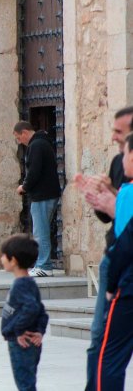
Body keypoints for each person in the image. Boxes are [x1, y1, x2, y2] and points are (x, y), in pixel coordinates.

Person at [73, 106, 133, 390]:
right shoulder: (117, 164)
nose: (113, 138)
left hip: (124, 267)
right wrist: (100, 199)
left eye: (119, 132)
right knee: (100, 339)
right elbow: (113, 216)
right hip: (118, 258)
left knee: (109, 349)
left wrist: (112, 197)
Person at [89, 132, 133, 391]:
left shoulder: (128, 192)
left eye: (125, 153)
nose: (121, 160)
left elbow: (125, 244)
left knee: (109, 357)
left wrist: (109, 287)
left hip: (128, 290)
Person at [0, 233, 49, 391]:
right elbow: (42, 312)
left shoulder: (21, 285)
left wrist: (19, 330)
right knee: (28, 381)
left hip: (21, 342)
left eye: (3, 255)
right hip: (30, 341)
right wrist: (40, 331)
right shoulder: (29, 283)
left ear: (13, 260)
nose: (1, 258)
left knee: (25, 384)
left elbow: (32, 308)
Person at [13, 121, 61, 277]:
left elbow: (34, 171)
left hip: (42, 195)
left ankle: (44, 265)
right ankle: (42, 263)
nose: (20, 142)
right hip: (46, 194)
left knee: (41, 231)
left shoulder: (36, 146)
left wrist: (24, 187)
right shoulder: (41, 143)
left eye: (19, 138)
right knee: (41, 230)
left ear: (25, 132)